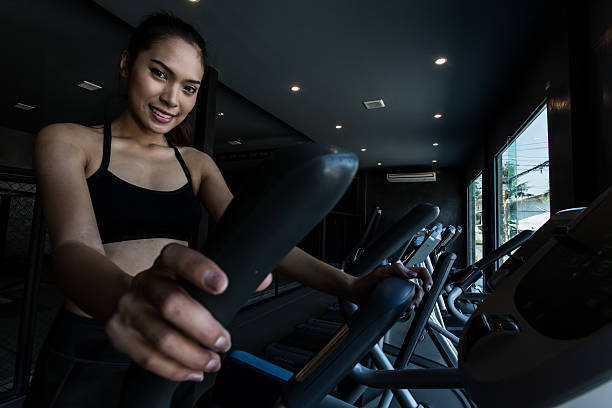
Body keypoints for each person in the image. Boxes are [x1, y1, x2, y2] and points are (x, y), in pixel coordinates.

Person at [25, 12, 432, 407]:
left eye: (189, 87)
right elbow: (73, 249)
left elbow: (265, 241)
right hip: (93, 339)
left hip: (177, 340)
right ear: (127, 63)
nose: (172, 98)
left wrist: (349, 284)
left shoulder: (197, 164)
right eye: (160, 73)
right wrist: (128, 299)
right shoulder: (67, 141)